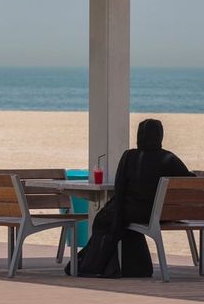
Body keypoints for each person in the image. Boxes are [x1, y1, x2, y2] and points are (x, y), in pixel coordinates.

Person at [66, 118, 194, 277]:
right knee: (117, 220)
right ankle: (128, 265)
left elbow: (120, 189)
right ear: (160, 136)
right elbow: (190, 182)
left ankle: (98, 264)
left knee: (105, 218)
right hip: (163, 214)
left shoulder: (130, 156)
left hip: (135, 213)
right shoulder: (169, 159)